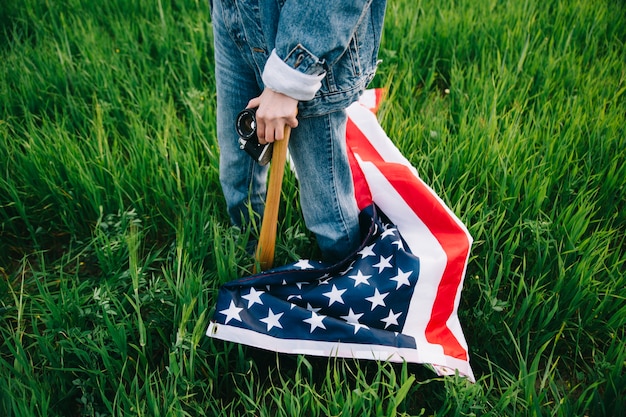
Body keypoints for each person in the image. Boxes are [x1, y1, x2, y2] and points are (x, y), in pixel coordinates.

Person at [211, 0, 387, 263]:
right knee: (237, 168)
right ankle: (248, 258)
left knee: (326, 206)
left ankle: (345, 277)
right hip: (233, 16)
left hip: (302, 31)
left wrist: (291, 77)